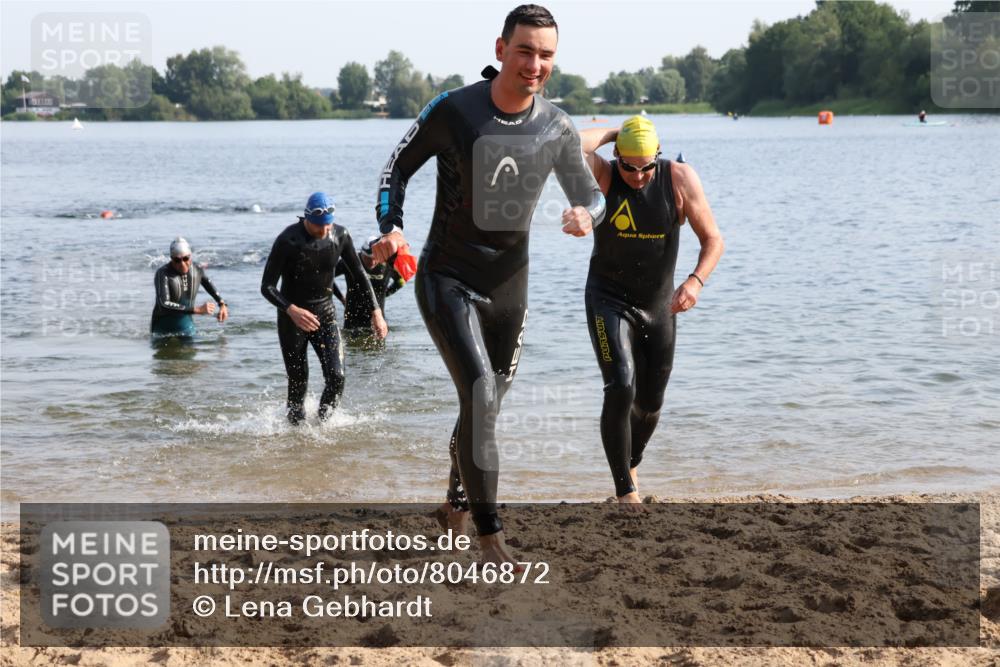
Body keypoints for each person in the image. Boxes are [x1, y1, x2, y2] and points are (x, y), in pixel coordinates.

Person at [370, 4, 605, 563]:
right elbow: (396, 168)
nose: (534, 63)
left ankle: (454, 502)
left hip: (509, 288)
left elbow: (589, 191)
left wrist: (586, 215)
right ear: (500, 49)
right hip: (447, 277)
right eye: (524, 50)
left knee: (486, 405)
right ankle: (490, 536)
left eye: (545, 54)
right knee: (478, 391)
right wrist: (391, 227)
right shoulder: (455, 110)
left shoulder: (555, 125)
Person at [579, 116, 724, 509]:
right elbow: (573, 144)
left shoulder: (678, 178)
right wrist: (614, 132)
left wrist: (695, 281)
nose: (639, 176)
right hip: (607, 299)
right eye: (630, 166)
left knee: (650, 403)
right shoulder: (606, 176)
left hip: (658, 306)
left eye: (646, 167)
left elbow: (713, 239)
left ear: (657, 158)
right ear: (617, 157)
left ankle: (632, 461)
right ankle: (626, 491)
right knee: (621, 385)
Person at [261, 192, 388, 425]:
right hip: (294, 320)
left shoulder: (340, 235)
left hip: (326, 314)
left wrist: (376, 312)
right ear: (307, 220)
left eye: (328, 224)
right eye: (319, 226)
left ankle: (323, 426)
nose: (325, 230)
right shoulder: (288, 240)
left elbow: (360, 275)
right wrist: (291, 310)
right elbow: (267, 287)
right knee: (299, 380)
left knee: (337, 376)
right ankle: (296, 432)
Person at [150, 237, 228, 338]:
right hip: (161, 332)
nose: (182, 264)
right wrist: (197, 310)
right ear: (171, 258)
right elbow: (164, 304)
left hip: (187, 329)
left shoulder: (196, 269)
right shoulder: (163, 274)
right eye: (177, 260)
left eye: (185, 259)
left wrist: (222, 304)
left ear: (190, 256)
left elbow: (208, 284)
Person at [334, 238, 416, 333]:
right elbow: (328, 278)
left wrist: (386, 294)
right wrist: (341, 298)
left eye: (375, 259)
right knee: (351, 346)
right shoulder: (351, 262)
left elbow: (401, 281)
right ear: (362, 253)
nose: (372, 262)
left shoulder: (387, 264)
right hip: (352, 317)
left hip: (378, 317)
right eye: (368, 258)